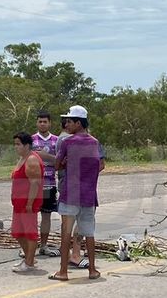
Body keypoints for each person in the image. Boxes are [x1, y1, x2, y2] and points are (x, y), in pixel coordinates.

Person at [51, 105, 103, 281]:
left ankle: (63, 271)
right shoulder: (94, 142)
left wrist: (67, 164)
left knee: (66, 233)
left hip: (71, 193)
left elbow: (57, 165)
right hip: (89, 194)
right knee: (89, 233)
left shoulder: (68, 142)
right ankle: (92, 270)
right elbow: (100, 165)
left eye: (70, 122)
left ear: (78, 123)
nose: (67, 125)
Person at [11, 132, 44, 273]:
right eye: (15, 144)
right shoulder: (22, 158)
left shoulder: (31, 160)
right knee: (18, 232)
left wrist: (30, 203)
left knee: (30, 232)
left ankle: (29, 262)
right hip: (18, 203)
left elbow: (35, 183)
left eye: (18, 144)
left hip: (27, 203)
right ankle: (29, 258)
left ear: (27, 145)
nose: (16, 147)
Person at [31, 111, 60, 257]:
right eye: (40, 121)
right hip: (32, 184)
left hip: (49, 183)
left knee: (46, 215)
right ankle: (29, 246)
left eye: (45, 122)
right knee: (30, 215)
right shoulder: (31, 140)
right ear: (37, 123)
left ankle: (43, 245)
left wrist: (44, 156)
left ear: (50, 123)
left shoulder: (57, 140)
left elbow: (59, 161)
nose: (42, 124)